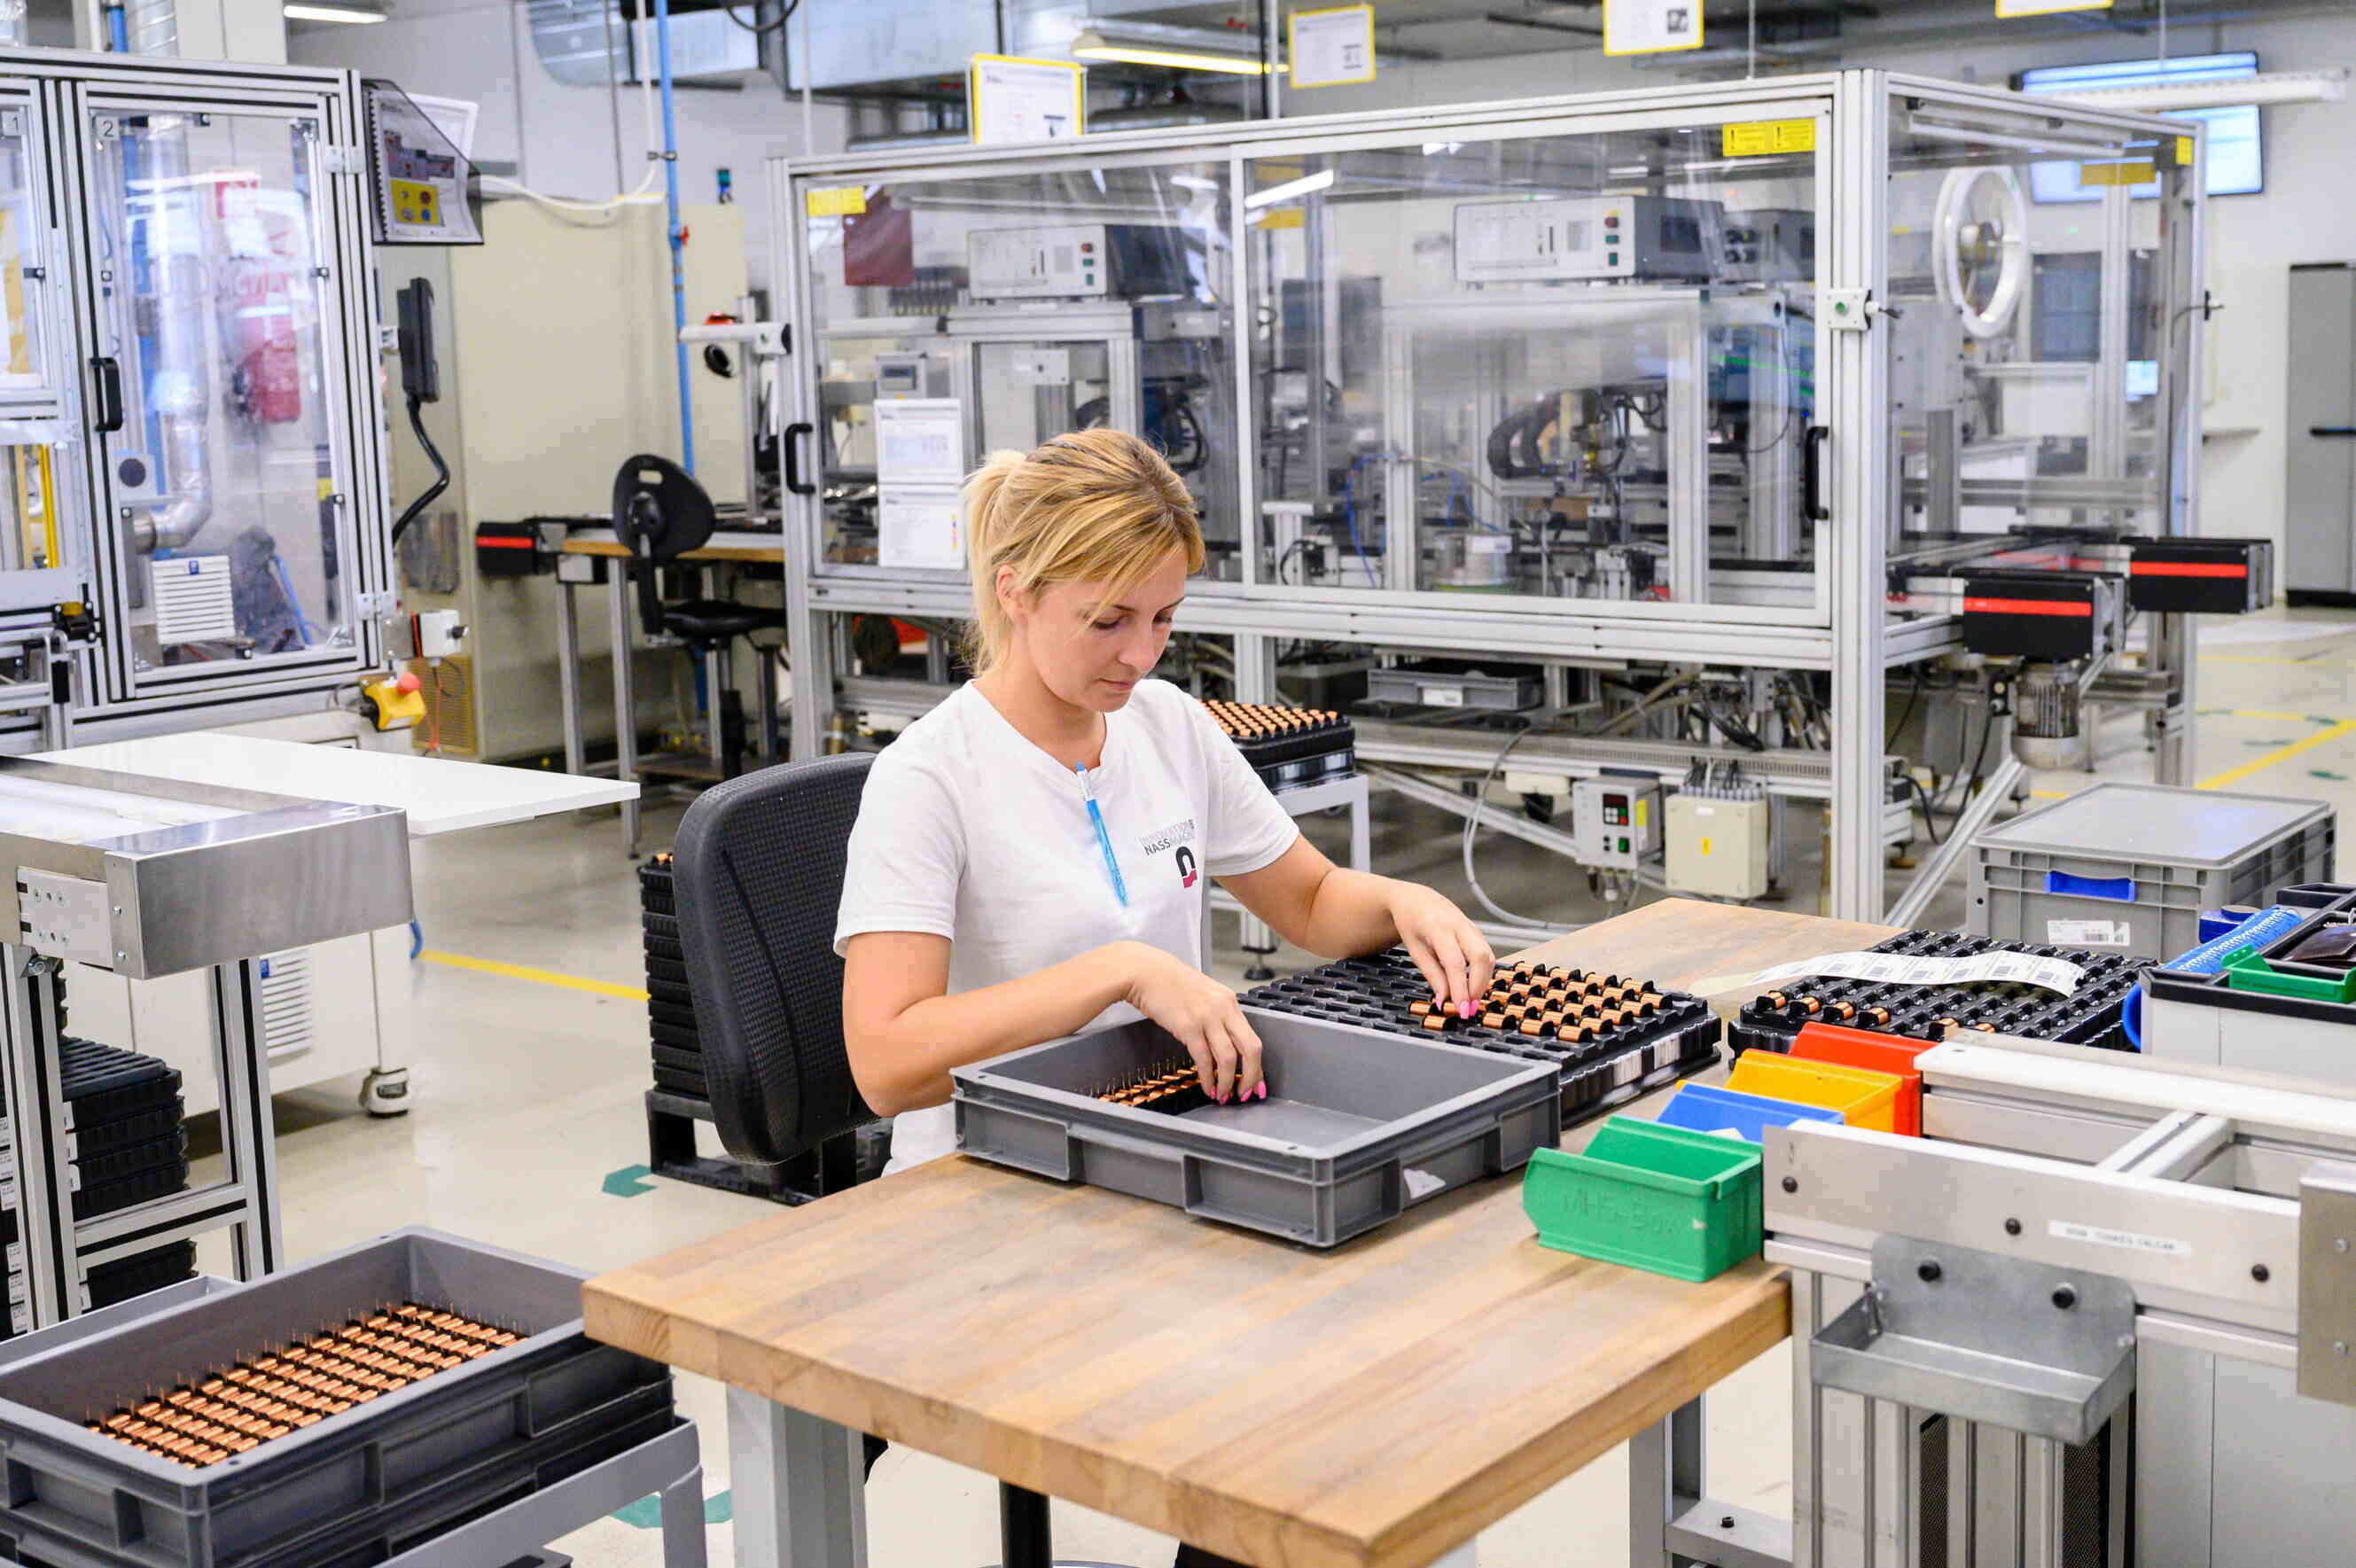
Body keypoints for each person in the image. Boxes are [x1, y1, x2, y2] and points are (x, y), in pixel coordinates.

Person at [835, 427, 1498, 1174]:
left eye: (1163, 617)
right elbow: (887, 1064)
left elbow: (1311, 900)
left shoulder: (1169, 725)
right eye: (1108, 621)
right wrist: (1121, 972)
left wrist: (1402, 903)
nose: (1142, 654)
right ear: (1014, 591)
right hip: (984, 1174)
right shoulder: (928, 778)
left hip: (1155, 1143)